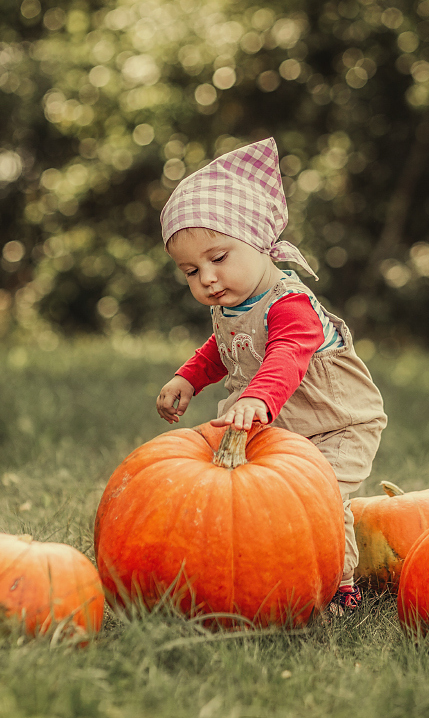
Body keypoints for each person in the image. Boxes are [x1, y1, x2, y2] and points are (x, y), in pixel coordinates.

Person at [155, 137, 387, 617]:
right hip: (275, 421)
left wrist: (257, 397)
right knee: (255, 505)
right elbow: (223, 349)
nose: (207, 279)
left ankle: (340, 584)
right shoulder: (231, 306)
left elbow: (286, 356)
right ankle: (260, 574)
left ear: (259, 243)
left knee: (319, 498)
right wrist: (188, 379)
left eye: (218, 258)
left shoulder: (289, 303)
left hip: (335, 423)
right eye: (190, 271)